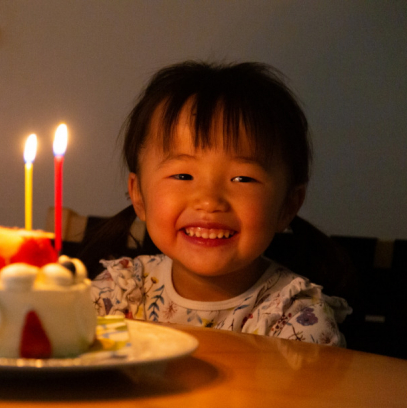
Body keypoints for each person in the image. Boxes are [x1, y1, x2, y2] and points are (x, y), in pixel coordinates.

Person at [88, 61, 352, 346]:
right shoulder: (118, 294)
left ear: (288, 205)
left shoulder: (297, 320)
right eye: (183, 175)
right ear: (138, 194)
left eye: (242, 179)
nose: (209, 201)